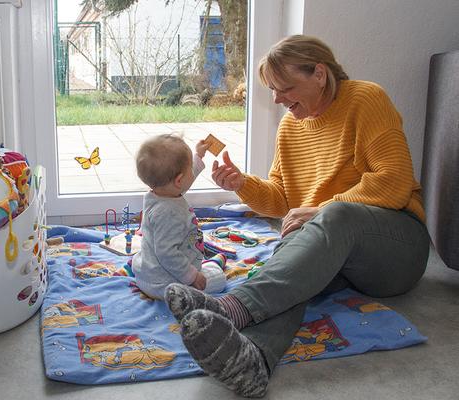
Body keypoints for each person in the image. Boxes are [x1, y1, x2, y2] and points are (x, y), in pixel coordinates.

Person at [163, 35, 431, 398]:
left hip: (397, 250)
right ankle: (254, 360)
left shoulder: (367, 99)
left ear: (319, 74)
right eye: (272, 90)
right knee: (291, 269)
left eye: (285, 88)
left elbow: (395, 182)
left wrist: (321, 209)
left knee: (336, 215)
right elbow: (282, 200)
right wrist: (242, 183)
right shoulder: (291, 126)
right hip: (337, 247)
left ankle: (230, 308)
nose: (277, 99)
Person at [132, 134, 227, 300]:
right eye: (190, 168)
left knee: (205, 269)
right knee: (218, 279)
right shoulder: (169, 213)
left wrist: (198, 156)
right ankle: (209, 268)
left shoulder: (159, 194)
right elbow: (167, 253)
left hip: (147, 274)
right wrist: (193, 277)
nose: (192, 171)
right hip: (166, 285)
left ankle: (202, 268)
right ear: (179, 180)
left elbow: (183, 183)